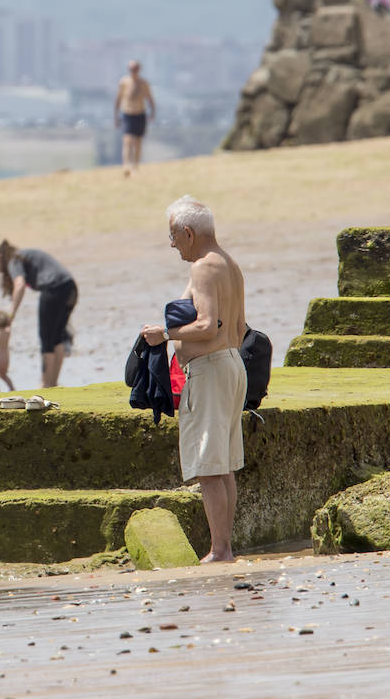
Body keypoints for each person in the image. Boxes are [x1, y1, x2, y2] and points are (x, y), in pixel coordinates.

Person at [140, 196, 247, 563]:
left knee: (209, 467)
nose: (172, 244)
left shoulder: (203, 267)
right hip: (232, 365)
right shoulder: (230, 265)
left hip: (211, 371)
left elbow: (207, 325)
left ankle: (220, 550)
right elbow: (239, 328)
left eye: (173, 236)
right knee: (224, 464)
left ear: (188, 232)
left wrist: (164, 335)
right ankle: (225, 548)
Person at [0, 240, 78, 388]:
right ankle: (52, 383)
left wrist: (11, 315)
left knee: (47, 339)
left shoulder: (14, 260)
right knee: (57, 338)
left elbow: (20, 284)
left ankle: (45, 383)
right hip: (70, 287)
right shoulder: (24, 255)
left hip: (53, 289)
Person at [114, 60, 156, 176]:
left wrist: (153, 112)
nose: (133, 71)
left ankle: (135, 166)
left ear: (139, 70)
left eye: (135, 69)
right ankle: (126, 165)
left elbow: (150, 99)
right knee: (127, 140)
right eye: (131, 69)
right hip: (127, 113)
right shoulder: (124, 82)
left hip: (140, 114)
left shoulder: (144, 83)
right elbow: (118, 99)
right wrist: (116, 117)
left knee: (138, 141)